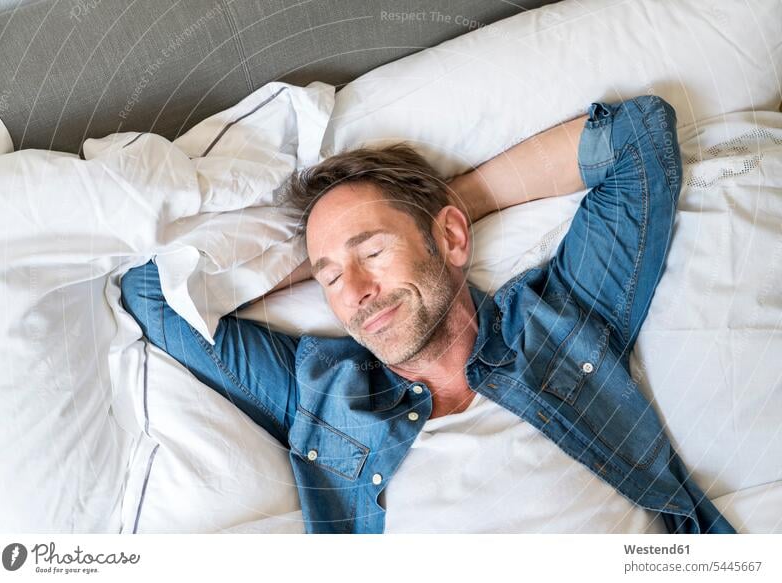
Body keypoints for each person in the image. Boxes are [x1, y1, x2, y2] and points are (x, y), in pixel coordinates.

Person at [120, 95, 735, 534]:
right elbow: (153, 292)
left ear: (451, 239)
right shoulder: (322, 395)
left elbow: (637, 138)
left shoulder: (560, 321)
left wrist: (449, 206)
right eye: (327, 277)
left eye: (373, 251)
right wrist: (305, 259)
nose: (355, 289)